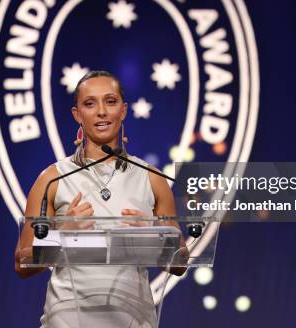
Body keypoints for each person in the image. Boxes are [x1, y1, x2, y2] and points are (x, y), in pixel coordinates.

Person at [14, 70, 185, 328]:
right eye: (90, 104)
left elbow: (180, 262)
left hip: (134, 320)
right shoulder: (51, 179)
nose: (102, 112)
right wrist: (61, 235)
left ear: (124, 110)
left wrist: (155, 236)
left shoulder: (152, 178)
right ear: (77, 114)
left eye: (111, 101)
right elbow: (22, 263)